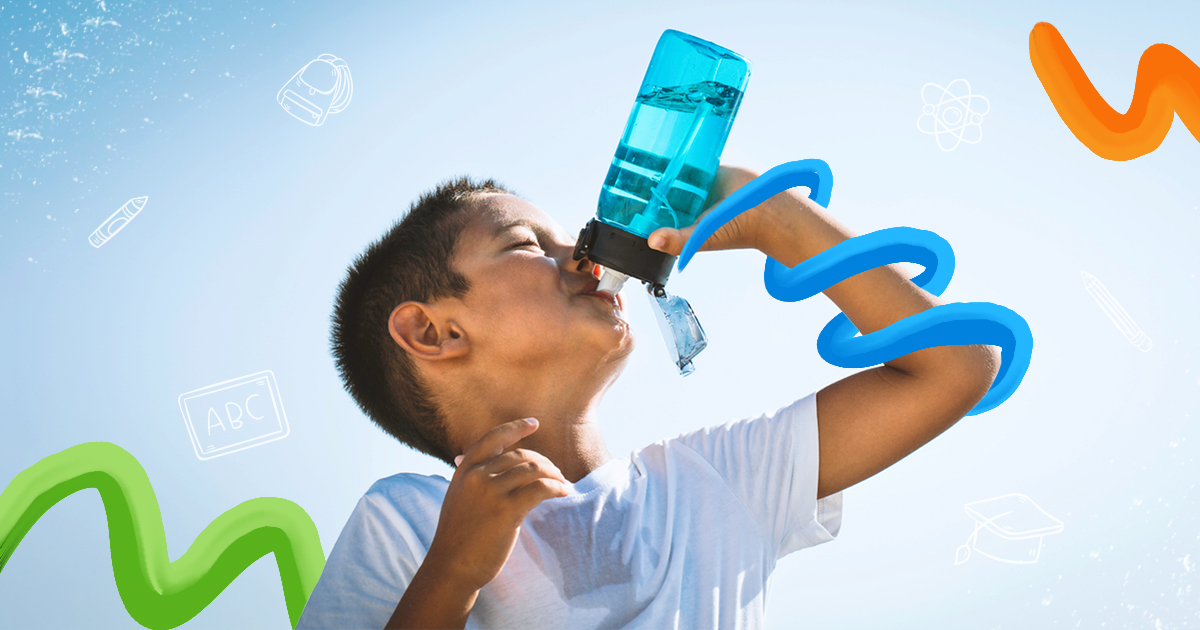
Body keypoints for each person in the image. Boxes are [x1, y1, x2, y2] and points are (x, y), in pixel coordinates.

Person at [296, 166, 1000, 629]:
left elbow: (955, 368)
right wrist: (451, 575)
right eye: (528, 245)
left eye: (571, 239)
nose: (582, 256)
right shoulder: (410, 523)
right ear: (433, 331)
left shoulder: (718, 481)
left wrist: (769, 218)